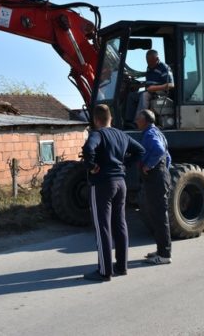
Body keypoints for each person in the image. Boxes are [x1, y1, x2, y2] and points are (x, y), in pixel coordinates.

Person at [82, 104, 145, 281]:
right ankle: (122, 266)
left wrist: (92, 166)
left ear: (95, 120)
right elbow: (140, 151)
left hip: (102, 184)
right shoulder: (121, 134)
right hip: (121, 183)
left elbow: (88, 149)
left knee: (103, 226)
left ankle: (104, 271)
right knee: (120, 223)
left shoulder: (97, 134)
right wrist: (125, 165)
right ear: (111, 119)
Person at [135, 109, 172, 265]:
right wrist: (164, 171)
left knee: (159, 216)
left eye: (138, 118)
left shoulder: (150, 135)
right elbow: (168, 157)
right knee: (157, 216)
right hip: (160, 177)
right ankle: (161, 250)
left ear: (145, 121)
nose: (136, 120)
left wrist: (148, 166)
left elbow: (159, 150)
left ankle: (164, 255)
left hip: (156, 179)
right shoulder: (157, 132)